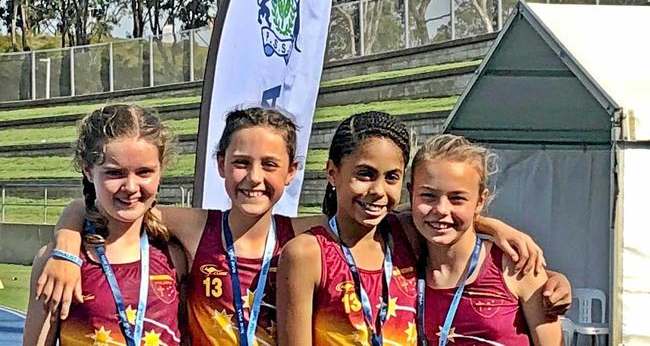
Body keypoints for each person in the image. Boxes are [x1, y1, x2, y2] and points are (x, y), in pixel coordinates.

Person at [36, 108, 565, 346]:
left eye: (270, 166)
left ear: (293, 173)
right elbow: (117, 208)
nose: (254, 178)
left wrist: (496, 228)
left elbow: (425, 214)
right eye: (241, 163)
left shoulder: (306, 235)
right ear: (220, 164)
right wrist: (64, 240)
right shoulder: (194, 230)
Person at [275, 112, 570, 345]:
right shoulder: (310, 252)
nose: (377, 190)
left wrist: (497, 230)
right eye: (364, 175)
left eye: (390, 177)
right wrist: (494, 227)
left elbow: (444, 218)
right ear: (332, 172)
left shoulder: (404, 238)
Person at [23, 104, 186, 346]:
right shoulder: (59, 262)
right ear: (88, 171)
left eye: (144, 172)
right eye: (115, 173)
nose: (131, 187)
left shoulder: (175, 253)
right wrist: (66, 245)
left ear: (161, 171)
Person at [410, 134, 562, 345]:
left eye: (457, 198)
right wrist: (492, 226)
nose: (441, 209)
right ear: (410, 194)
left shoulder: (516, 265)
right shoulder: (402, 267)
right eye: (428, 196)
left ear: (480, 201)